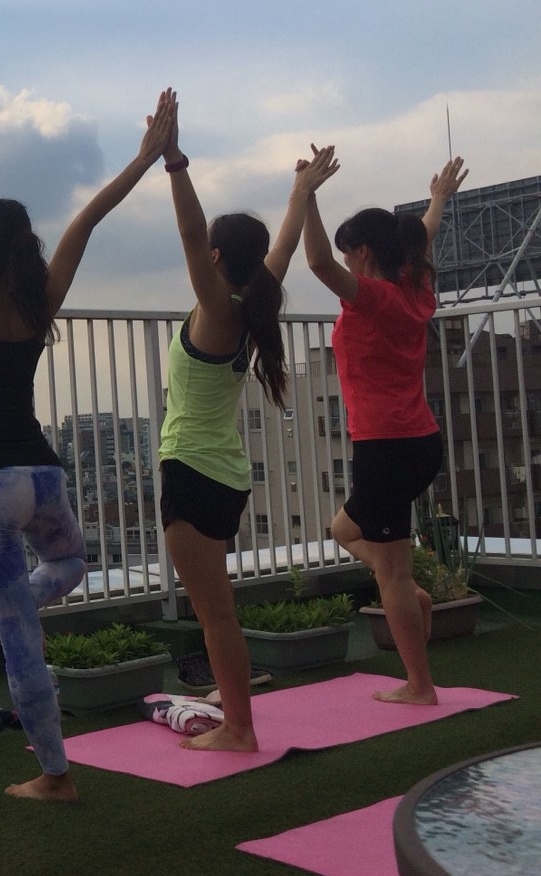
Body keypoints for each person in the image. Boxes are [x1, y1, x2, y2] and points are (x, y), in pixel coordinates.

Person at [0, 79, 176, 800]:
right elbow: (89, 218)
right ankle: (13, 608)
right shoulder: (37, 303)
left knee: (21, 637)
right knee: (72, 562)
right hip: (43, 477)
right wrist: (146, 157)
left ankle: (55, 776)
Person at [156, 94, 338, 752]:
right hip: (225, 472)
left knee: (216, 614)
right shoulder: (252, 300)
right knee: (220, 611)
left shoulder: (219, 310)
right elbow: (282, 246)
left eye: (205, 251)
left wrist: (175, 163)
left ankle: (238, 727)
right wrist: (301, 191)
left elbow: (186, 233)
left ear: (213, 259)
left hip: (195, 470)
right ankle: (235, 713)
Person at [303, 152, 467, 705]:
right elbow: (422, 235)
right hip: (421, 442)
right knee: (344, 531)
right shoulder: (415, 288)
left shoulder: (374, 297)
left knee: (389, 574)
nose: (346, 260)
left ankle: (419, 685)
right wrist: (438, 197)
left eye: (352, 251)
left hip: (386, 446)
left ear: (363, 252)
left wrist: (306, 195)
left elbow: (319, 263)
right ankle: (411, 596)